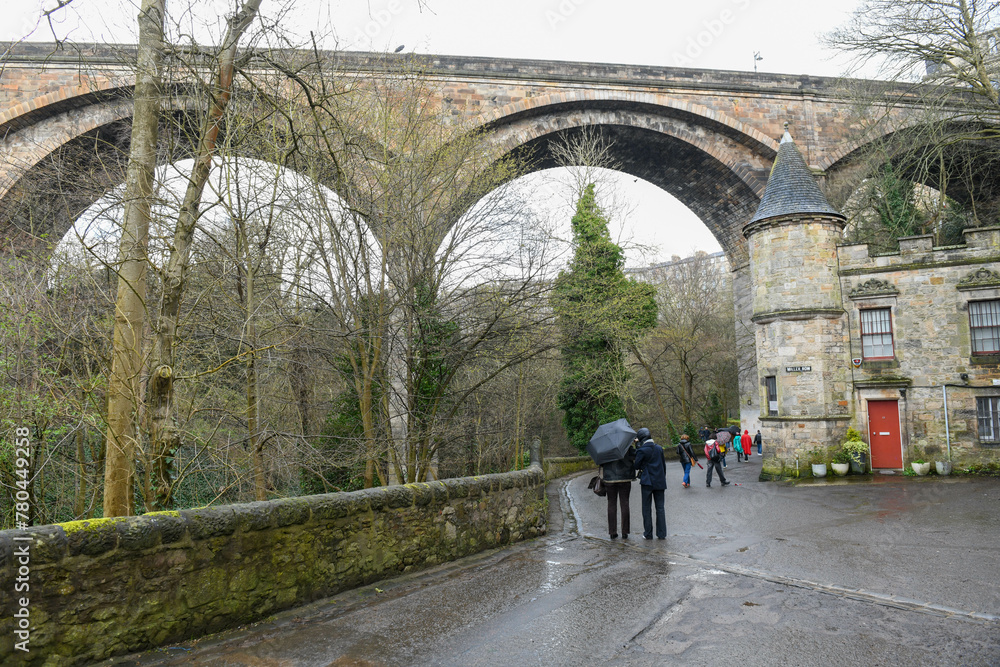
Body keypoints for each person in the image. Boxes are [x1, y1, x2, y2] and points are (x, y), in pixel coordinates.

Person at [633, 427, 667, 539]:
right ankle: (661, 534)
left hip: (647, 482)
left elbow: (636, 465)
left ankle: (648, 534)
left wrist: (637, 447)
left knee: (646, 508)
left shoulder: (642, 450)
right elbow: (663, 465)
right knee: (660, 508)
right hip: (660, 481)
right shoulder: (659, 448)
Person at [601, 437, 636, 539]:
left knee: (611, 503)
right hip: (625, 478)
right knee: (625, 503)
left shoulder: (605, 448)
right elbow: (635, 456)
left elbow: (600, 463)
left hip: (609, 478)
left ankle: (612, 532)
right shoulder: (627, 446)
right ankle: (625, 531)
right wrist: (635, 444)